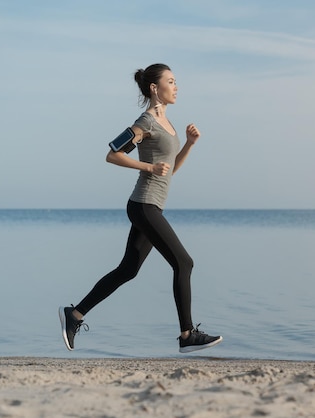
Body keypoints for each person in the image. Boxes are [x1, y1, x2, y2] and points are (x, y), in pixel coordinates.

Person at [59, 63, 222, 354]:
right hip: (144, 205)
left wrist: (189, 144)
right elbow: (113, 154)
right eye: (171, 81)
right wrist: (147, 165)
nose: (176, 86)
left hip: (150, 206)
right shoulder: (145, 122)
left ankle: (75, 315)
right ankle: (187, 334)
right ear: (154, 88)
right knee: (184, 263)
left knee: (128, 270)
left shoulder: (168, 125)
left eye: (176, 81)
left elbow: (169, 171)